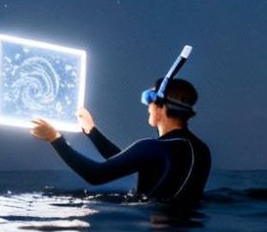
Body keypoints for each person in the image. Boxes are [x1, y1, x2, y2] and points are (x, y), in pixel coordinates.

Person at [29, 77, 211, 204]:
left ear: (162, 107)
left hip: (157, 228)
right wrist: (92, 131)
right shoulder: (200, 149)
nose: (148, 106)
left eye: (150, 98)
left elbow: (96, 175)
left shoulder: (154, 147)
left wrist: (55, 139)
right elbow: (126, 160)